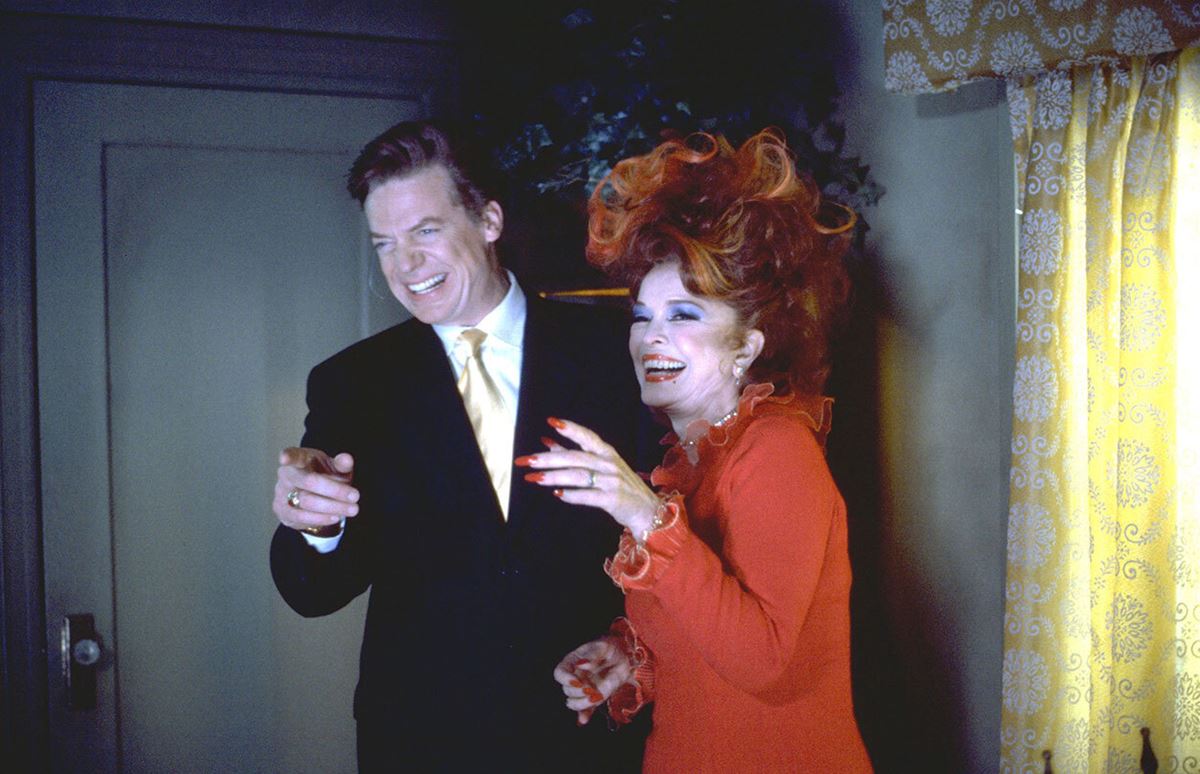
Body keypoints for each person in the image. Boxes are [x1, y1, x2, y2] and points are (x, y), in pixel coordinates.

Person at [269, 120, 649, 772]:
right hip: (421, 741)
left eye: (425, 232)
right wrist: (318, 527)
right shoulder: (353, 382)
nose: (404, 265)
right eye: (385, 244)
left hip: (586, 733)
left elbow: (672, 529)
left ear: (489, 220)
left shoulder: (615, 351)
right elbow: (313, 592)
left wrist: (634, 646)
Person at [518, 129, 874, 771]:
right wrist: (627, 658)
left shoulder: (777, 450)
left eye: (683, 315)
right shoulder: (687, 463)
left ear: (747, 346)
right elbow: (704, 643)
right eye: (642, 316)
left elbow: (761, 661)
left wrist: (643, 514)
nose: (651, 338)